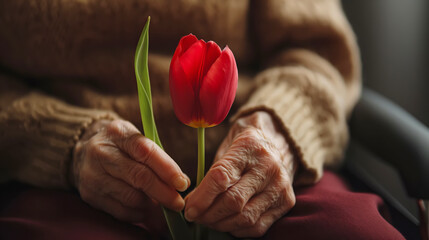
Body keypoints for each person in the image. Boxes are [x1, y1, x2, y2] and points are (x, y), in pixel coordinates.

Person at [0, 0, 404, 239]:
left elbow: (317, 51)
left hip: (256, 167)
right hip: (72, 183)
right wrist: (66, 142)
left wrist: (277, 128)